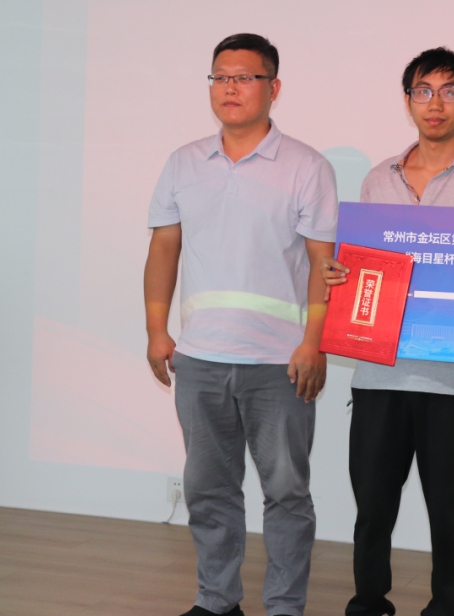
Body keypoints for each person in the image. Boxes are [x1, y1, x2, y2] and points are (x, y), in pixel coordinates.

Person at [322, 47, 454, 616]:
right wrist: (340, 276)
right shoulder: (378, 179)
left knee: (452, 516)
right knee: (373, 510)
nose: (435, 103)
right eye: (423, 90)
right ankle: (369, 604)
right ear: (408, 100)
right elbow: (363, 267)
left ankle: (448, 609)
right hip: (378, 376)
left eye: (450, 91)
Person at [145, 33, 338, 616]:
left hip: (279, 363)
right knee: (208, 491)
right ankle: (217, 601)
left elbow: (323, 264)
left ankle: (284, 606)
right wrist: (157, 331)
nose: (230, 88)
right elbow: (164, 250)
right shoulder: (183, 162)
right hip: (200, 359)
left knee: (286, 493)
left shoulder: (307, 166)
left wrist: (314, 343)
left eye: (245, 77)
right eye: (220, 77)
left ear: (273, 88)